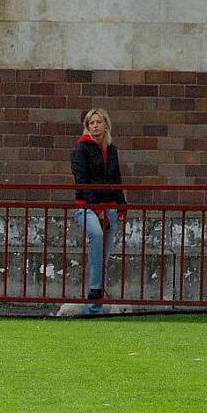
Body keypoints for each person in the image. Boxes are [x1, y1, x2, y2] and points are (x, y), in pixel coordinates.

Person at [70, 109, 126, 312]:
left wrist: (121, 207)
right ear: (87, 126)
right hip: (86, 206)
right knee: (96, 233)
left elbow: (116, 179)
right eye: (91, 122)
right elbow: (81, 182)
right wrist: (98, 209)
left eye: (98, 122)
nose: (95, 125)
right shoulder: (81, 149)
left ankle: (94, 307)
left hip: (109, 206)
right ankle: (95, 290)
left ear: (106, 125)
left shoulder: (111, 150)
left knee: (103, 256)